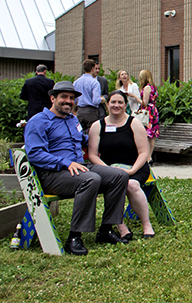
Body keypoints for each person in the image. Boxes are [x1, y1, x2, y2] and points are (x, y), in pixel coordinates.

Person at [24, 81, 129, 255]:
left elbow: (83, 140)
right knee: (91, 179)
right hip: (53, 174)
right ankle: (74, 238)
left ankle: (106, 230)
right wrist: (65, 163)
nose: (68, 101)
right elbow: (35, 153)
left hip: (79, 168)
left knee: (119, 176)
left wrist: (110, 143)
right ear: (52, 98)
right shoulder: (38, 122)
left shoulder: (72, 120)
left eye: (72, 98)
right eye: (64, 97)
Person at [88, 91, 154, 239]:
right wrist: (108, 170)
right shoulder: (97, 126)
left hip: (135, 167)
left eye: (120, 102)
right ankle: (121, 226)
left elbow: (144, 152)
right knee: (114, 185)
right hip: (109, 169)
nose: (116, 105)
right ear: (107, 104)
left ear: (125, 105)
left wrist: (131, 171)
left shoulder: (134, 123)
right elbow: (92, 155)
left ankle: (147, 225)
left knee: (131, 185)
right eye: (113, 102)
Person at [74, 59, 103, 132]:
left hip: (80, 111)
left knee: (80, 132)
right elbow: (96, 101)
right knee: (93, 133)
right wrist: (102, 100)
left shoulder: (76, 82)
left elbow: (74, 99)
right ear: (92, 68)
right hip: (91, 111)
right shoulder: (94, 82)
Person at [138, 70, 160, 162]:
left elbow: (144, 103)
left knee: (146, 134)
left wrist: (135, 98)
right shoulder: (154, 87)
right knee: (152, 134)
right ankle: (149, 156)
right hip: (153, 111)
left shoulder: (147, 88)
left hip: (148, 112)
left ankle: (147, 156)